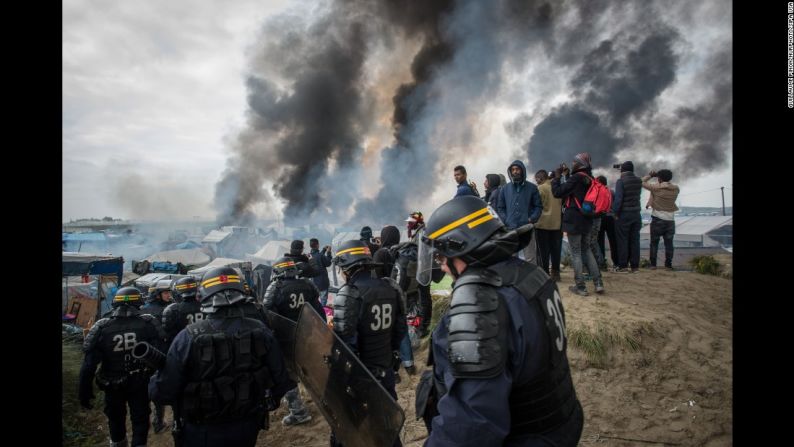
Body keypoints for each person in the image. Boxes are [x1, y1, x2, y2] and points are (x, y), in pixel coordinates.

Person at [415, 195, 583, 446]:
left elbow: (471, 426)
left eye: (441, 258)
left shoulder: (479, 303)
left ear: (460, 247)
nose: (444, 268)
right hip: (560, 424)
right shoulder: (530, 274)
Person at [148, 266, 295, 447]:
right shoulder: (260, 329)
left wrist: (157, 377)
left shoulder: (188, 337)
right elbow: (281, 378)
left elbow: (163, 392)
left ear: (203, 295)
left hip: (201, 430)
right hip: (247, 425)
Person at [331, 240, 407, 447]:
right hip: (386, 371)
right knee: (387, 427)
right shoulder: (390, 287)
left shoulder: (348, 293)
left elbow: (346, 347)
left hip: (361, 379)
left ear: (346, 267)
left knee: (353, 432)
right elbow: (400, 330)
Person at [79, 287, 168, 447]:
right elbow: (161, 357)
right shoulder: (148, 323)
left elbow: (89, 364)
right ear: (138, 301)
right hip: (140, 382)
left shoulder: (102, 326)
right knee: (140, 419)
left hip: (112, 384)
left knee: (115, 419)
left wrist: (84, 391)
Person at [263, 256, 324, 426]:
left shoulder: (274, 288)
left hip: (286, 341)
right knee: (314, 371)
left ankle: (298, 412)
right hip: (309, 336)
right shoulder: (307, 284)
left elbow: (268, 318)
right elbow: (319, 312)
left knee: (289, 376)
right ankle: (327, 404)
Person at [552, 153, 605, 296]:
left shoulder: (576, 178)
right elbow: (577, 193)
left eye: (574, 162)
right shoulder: (590, 179)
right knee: (586, 250)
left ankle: (580, 286)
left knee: (576, 253)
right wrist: (567, 176)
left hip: (574, 220)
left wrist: (557, 177)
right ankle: (598, 283)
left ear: (580, 163)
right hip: (587, 219)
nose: (572, 163)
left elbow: (558, 192)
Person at [374, 223, 415, 382]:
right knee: (402, 329)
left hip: (385, 296)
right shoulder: (403, 251)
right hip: (401, 295)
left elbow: (377, 277)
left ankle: (394, 371)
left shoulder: (380, 254)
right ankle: (409, 364)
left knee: (387, 334)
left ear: (384, 237)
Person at [140, 279, 174, 433]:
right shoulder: (169, 310)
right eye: (166, 292)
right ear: (157, 294)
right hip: (162, 355)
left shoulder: (142, 310)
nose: (169, 295)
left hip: (146, 356)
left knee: (148, 389)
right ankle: (158, 422)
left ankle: (151, 422)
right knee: (163, 387)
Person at [497, 160, 542, 264]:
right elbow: (500, 208)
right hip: (510, 228)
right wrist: (506, 220)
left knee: (530, 258)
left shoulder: (532, 188)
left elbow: (538, 206)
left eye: (517, 169)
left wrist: (531, 219)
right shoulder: (504, 189)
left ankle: (532, 280)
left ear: (522, 170)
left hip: (527, 228)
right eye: (513, 170)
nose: (515, 172)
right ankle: (514, 280)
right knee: (511, 257)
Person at [642, 169, 680, 270]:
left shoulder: (656, 188)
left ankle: (653, 265)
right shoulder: (676, 189)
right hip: (670, 220)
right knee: (669, 243)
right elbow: (667, 185)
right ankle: (668, 265)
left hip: (657, 219)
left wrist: (650, 175)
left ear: (659, 178)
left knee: (654, 243)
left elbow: (641, 182)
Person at [612, 161, 643, 273]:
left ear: (622, 171)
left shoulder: (621, 181)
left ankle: (623, 266)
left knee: (622, 240)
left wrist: (615, 213)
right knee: (635, 240)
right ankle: (635, 266)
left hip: (624, 214)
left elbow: (618, 199)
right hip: (636, 214)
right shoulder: (639, 181)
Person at [534, 169, 563, 282]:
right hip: (557, 224)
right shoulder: (557, 187)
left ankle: (544, 274)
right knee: (556, 250)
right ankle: (556, 273)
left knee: (543, 252)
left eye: (537, 179)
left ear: (540, 178)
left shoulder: (541, 188)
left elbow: (537, 205)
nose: (536, 181)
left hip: (543, 224)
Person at [596, 175, 619, 269]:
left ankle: (602, 263)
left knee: (599, 241)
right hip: (610, 218)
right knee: (613, 241)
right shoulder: (611, 192)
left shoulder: (597, 192)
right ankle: (616, 262)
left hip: (600, 217)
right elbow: (615, 204)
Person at [308, 238, 333, 306]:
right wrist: (328, 252)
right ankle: (322, 314)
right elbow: (328, 263)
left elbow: (318, 257)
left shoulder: (309, 256)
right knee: (323, 300)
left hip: (313, 282)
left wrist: (324, 250)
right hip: (322, 283)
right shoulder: (320, 256)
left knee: (314, 300)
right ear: (317, 245)